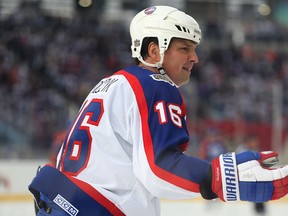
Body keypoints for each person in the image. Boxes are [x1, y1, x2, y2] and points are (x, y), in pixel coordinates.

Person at [28, 5, 288, 216]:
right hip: (97, 208)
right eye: (185, 48)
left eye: (194, 49)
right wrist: (218, 178)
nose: (194, 58)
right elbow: (158, 168)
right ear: (154, 51)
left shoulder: (110, 83)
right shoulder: (155, 85)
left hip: (63, 205)